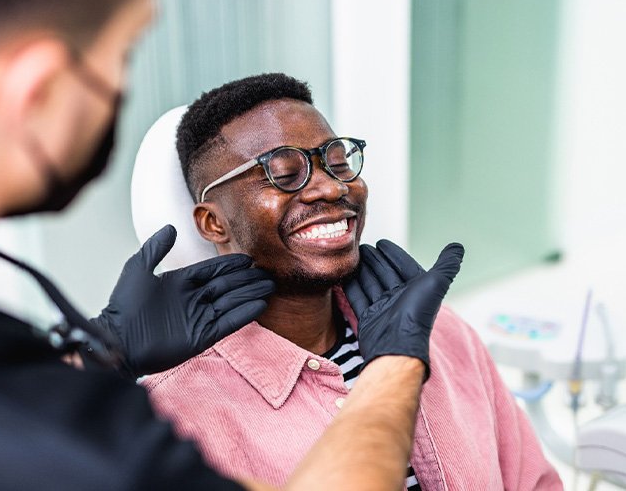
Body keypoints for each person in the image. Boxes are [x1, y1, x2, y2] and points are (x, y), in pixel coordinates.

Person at [0, 0, 464, 490]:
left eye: (335, 161)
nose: (329, 188)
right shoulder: (136, 415)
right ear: (39, 88)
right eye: (122, 53)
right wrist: (397, 365)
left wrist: (103, 350)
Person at [142, 73, 564, 490]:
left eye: (339, 162)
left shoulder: (440, 334)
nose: (330, 187)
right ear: (214, 222)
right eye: (284, 173)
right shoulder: (172, 416)